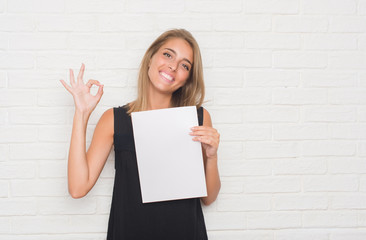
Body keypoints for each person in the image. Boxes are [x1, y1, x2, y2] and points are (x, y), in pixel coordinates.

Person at [60, 29, 221, 240]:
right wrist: (81, 114)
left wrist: (211, 156)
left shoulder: (197, 118)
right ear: (150, 59)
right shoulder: (114, 119)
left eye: (184, 65)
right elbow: (78, 188)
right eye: (168, 54)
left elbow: (208, 198)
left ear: (187, 78)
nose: (173, 66)